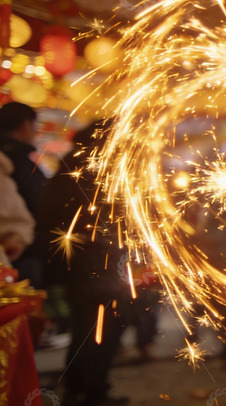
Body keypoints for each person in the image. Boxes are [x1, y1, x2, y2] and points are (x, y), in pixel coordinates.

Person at [38, 120, 130, 406]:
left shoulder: (70, 165)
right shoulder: (95, 170)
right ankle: (93, 391)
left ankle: (78, 387)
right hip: (96, 265)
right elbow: (103, 219)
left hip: (80, 263)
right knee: (102, 328)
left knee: (85, 327)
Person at [0, 102, 48, 286]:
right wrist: (18, 237)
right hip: (21, 258)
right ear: (26, 124)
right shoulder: (20, 162)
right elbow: (39, 205)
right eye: (35, 126)